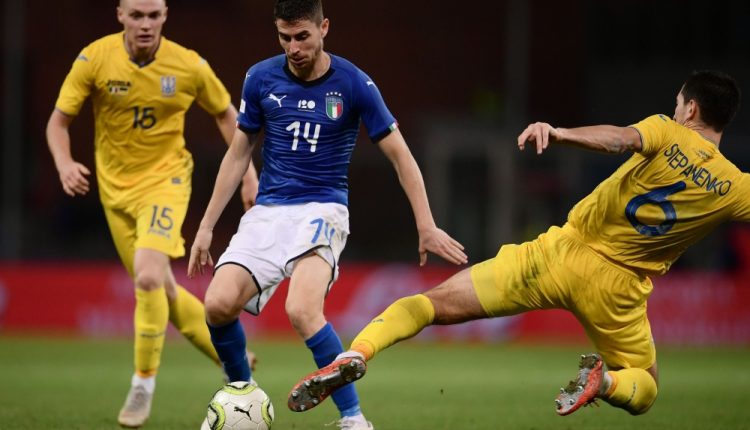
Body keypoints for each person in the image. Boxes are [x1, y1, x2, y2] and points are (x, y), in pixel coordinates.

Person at [287, 70, 746, 418]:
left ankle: (358, 353)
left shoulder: (668, 130)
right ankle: (605, 382)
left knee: (429, 304)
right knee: (645, 387)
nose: (675, 110)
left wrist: (561, 133)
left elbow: (620, 140)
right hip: (619, 293)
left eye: (677, 104)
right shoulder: (735, 187)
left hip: (558, 256)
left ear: (690, 110)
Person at [186, 0, 468, 428]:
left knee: (302, 310)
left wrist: (425, 224)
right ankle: (242, 394)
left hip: (323, 210)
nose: (293, 48)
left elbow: (402, 157)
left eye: (302, 36)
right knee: (217, 305)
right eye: (285, 38)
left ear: (324, 29)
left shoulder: (354, 83)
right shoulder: (259, 77)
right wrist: (206, 226)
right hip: (269, 210)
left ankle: (354, 419)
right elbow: (239, 152)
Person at [45, 0, 257, 427]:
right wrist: (64, 164)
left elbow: (225, 113)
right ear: (120, 15)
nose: (145, 24)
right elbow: (58, 122)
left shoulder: (188, 65)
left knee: (146, 277)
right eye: (137, 15)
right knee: (162, 289)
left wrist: (248, 173)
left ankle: (142, 384)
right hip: (114, 193)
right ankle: (232, 357)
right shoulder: (94, 59)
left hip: (166, 182)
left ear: (165, 16)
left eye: (153, 15)